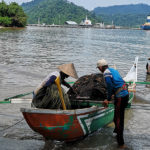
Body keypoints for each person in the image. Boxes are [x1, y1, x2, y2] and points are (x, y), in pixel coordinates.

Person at [97, 59, 129, 149]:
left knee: (119, 120)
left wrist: (107, 99)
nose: (99, 70)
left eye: (98, 68)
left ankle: (121, 144)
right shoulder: (113, 70)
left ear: (100, 67)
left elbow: (109, 86)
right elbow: (118, 82)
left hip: (120, 96)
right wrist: (112, 95)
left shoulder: (106, 72)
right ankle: (116, 134)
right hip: (125, 94)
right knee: (117, 117)